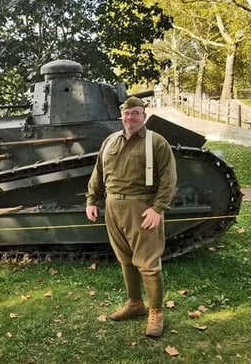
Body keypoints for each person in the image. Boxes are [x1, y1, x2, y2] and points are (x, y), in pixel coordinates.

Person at [85, 96, 177, 337]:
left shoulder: (156, 142)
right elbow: (98, 172)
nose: (131, 117)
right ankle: (135, 304)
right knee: (125, 259)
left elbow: (169, 178)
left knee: (148, 263)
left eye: (136, 113)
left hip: (142, 207)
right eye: (127, 113)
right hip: (113, 206)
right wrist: (92, 200)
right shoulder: (110, 140)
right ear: (121, 116)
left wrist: (158, 208)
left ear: (143, 116)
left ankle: (156, 312)